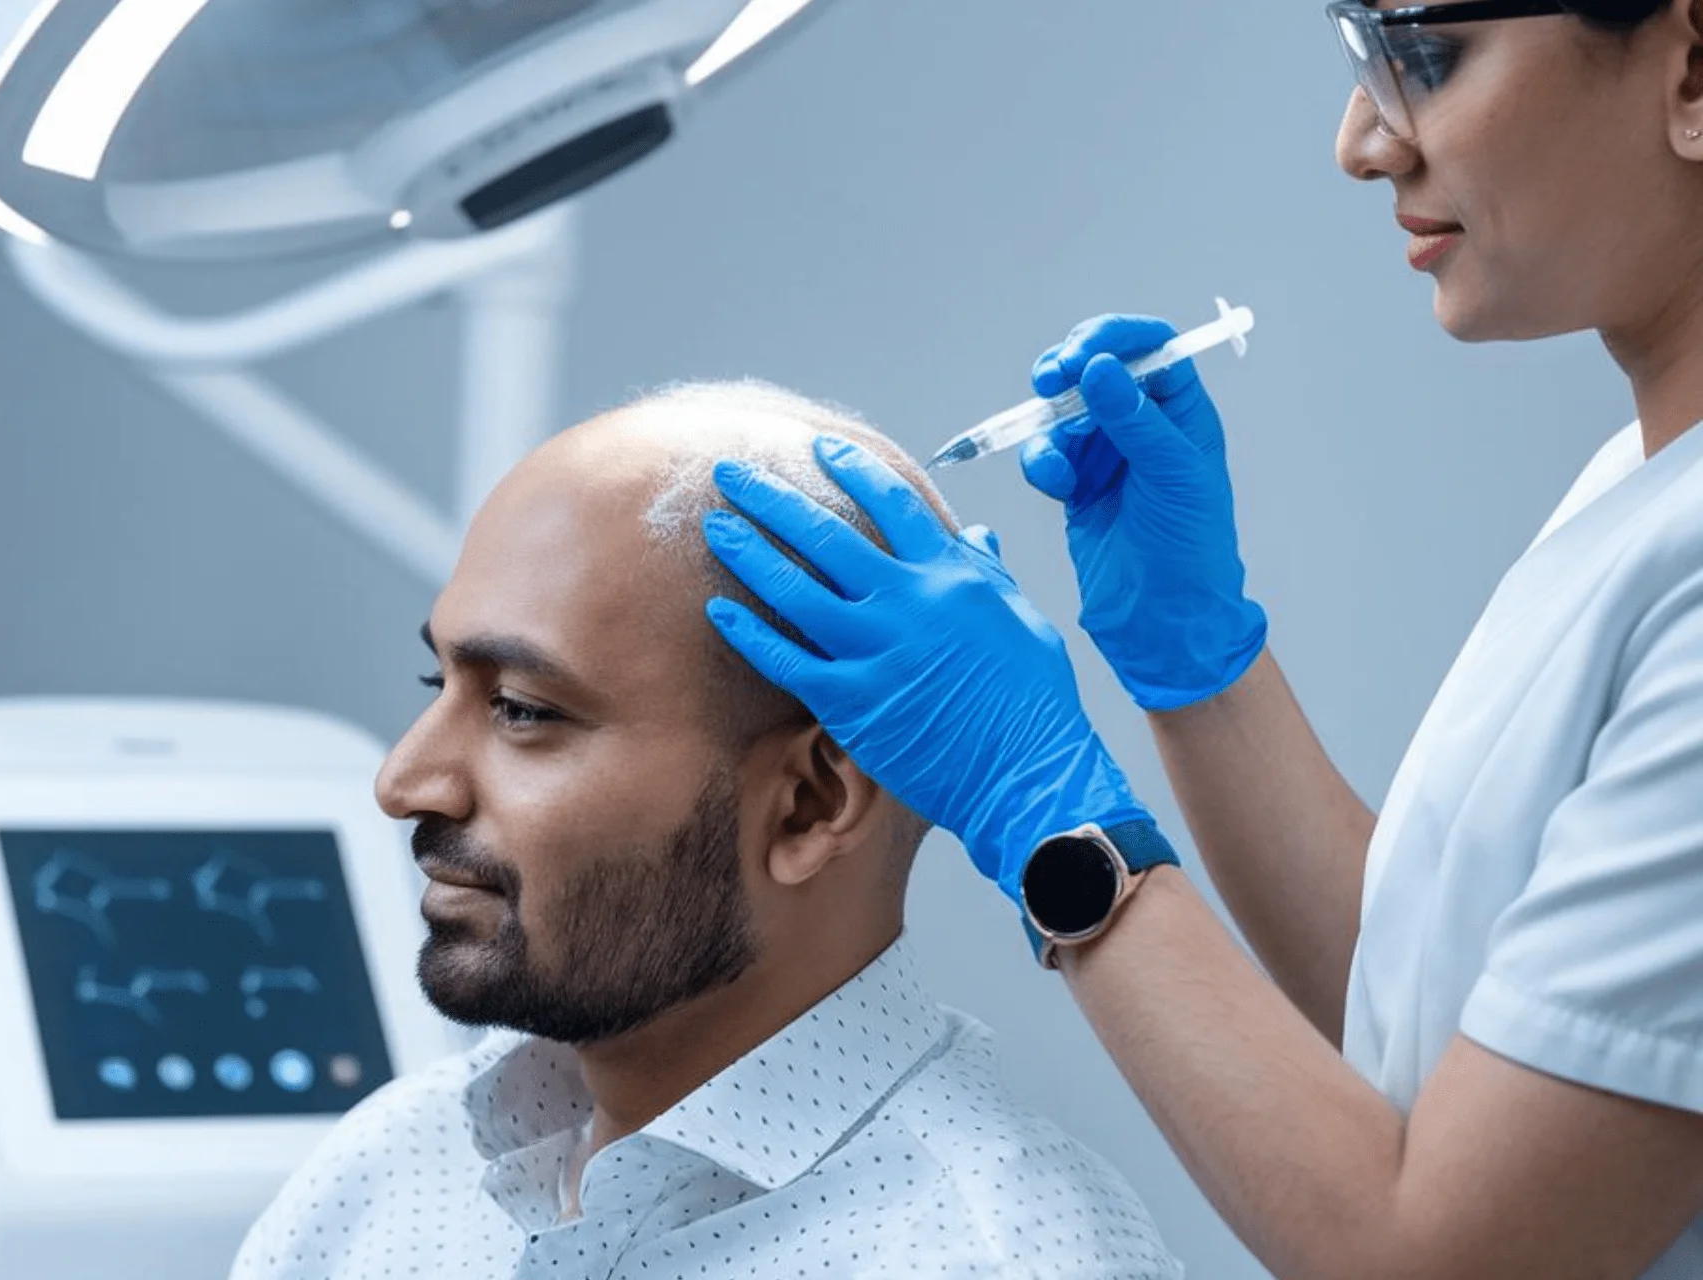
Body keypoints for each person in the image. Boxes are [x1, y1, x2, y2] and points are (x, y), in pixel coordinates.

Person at [698, 3, 1703, 1278]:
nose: (1364, 142)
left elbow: (1449, 1255)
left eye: (1425, 58)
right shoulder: (1645, 481)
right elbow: (1449, 1035)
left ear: (1692, 65)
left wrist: (1043, 810)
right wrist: (1198, 665)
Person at [228, 381, 1181, 1280]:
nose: (402, 781)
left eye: (520, 709)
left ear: (809, 803)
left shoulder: (990, 1256)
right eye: (441, 685)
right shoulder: (390, 1170)